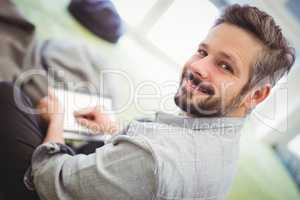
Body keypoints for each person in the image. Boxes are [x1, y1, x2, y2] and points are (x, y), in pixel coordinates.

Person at [0, 4, 295, 200]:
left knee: (7, 97)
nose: (199, 68)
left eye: (225, 66)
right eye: (203, 52)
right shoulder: (224, 147)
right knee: (95, 126)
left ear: (257, 95)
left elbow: (47, 179)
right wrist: (115, 132)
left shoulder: (153, 158)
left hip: (44, 183)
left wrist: (56, 122)